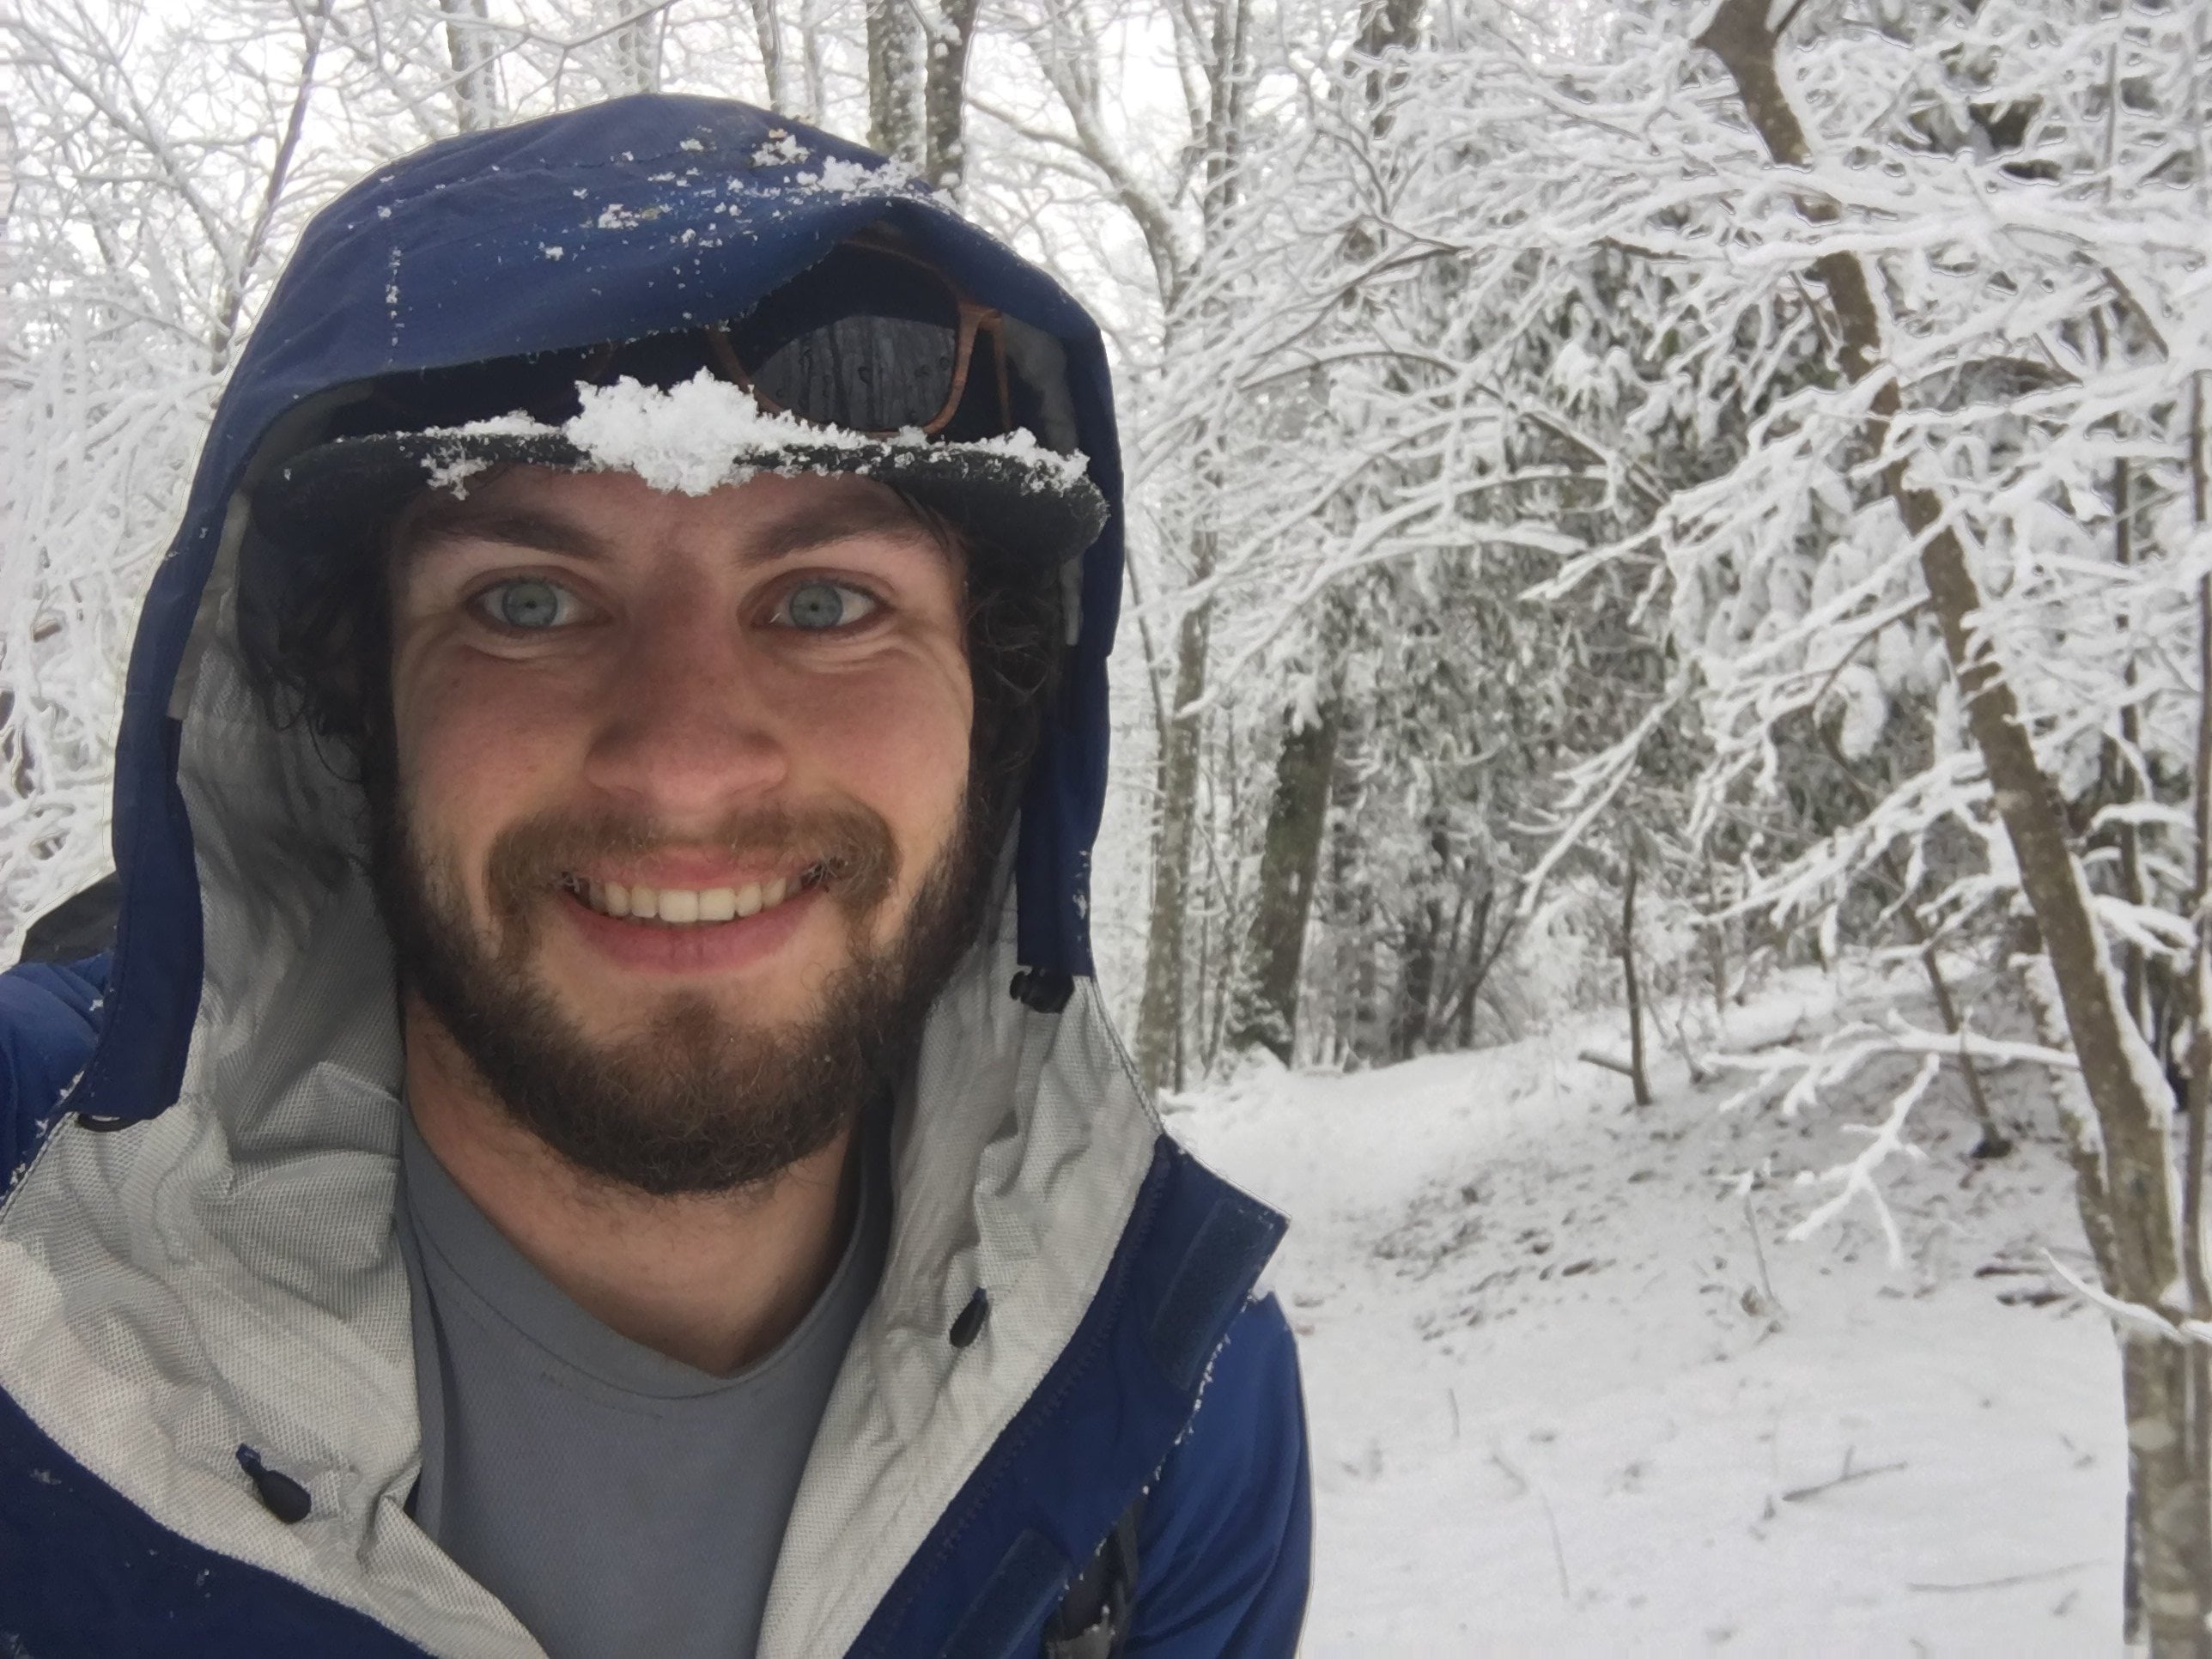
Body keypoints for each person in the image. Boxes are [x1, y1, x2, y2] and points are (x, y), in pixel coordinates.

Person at [0, 95, 1311, 1656]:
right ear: (358, 714)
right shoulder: (29, 1234)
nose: (683, 766)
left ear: (998, 716)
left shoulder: (1161, 1399)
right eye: (530, 604)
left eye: (825, 601)